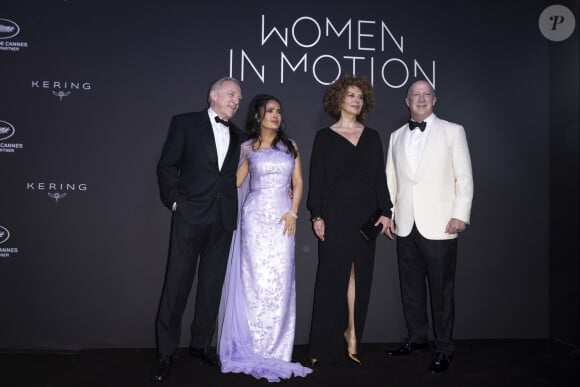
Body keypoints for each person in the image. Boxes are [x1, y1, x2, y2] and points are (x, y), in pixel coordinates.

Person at [151, 76, 244, 382]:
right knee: (176, 285)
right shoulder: (185, 123)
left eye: (239, 98)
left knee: (211, 286)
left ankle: (200, 346)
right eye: (231, 94)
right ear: (213, 95)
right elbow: (167, 166)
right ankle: (165, 353)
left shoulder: (239, 134)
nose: (236, 100)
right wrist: (176, 202)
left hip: (222, 219)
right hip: (190, 216)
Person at [217, 94, 312, 382]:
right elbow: (236, 182)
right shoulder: (248, 146)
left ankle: (276, 350)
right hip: (255, 219)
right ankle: (251, 346)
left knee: (280, 281)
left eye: (279, 111)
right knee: (254, 280)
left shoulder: (290, 146)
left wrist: (293, 212)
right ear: (258, 115)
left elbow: (297, 182)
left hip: (283, 220)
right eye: (269, 111)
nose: (275, 115)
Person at [384, 79, 473, 373]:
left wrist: (461, 214)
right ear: (406, 101)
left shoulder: (453, 131)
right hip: (405, 225)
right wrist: (391, 215)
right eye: (415, 95)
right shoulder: (396, 136)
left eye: (426, 94)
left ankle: (444, 347)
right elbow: (391, 181)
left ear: (434, 100)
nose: (421, 99)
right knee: (410, 288)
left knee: (442, 291)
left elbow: (465, 177)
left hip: (441, 224)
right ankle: (417, 337)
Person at [307, 74, 393, 366]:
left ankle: (353, 334)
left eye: (360, 97)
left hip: (365, 216)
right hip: (334, 215)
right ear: (339, 100)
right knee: (331, 279)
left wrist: (386, 211)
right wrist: (316, 214)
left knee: (359, 276)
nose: (357, 101)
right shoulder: (324, 137)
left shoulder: (372, 137)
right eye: (351, 96)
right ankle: (320, 343)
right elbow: (317, 178)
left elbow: (379, 178)